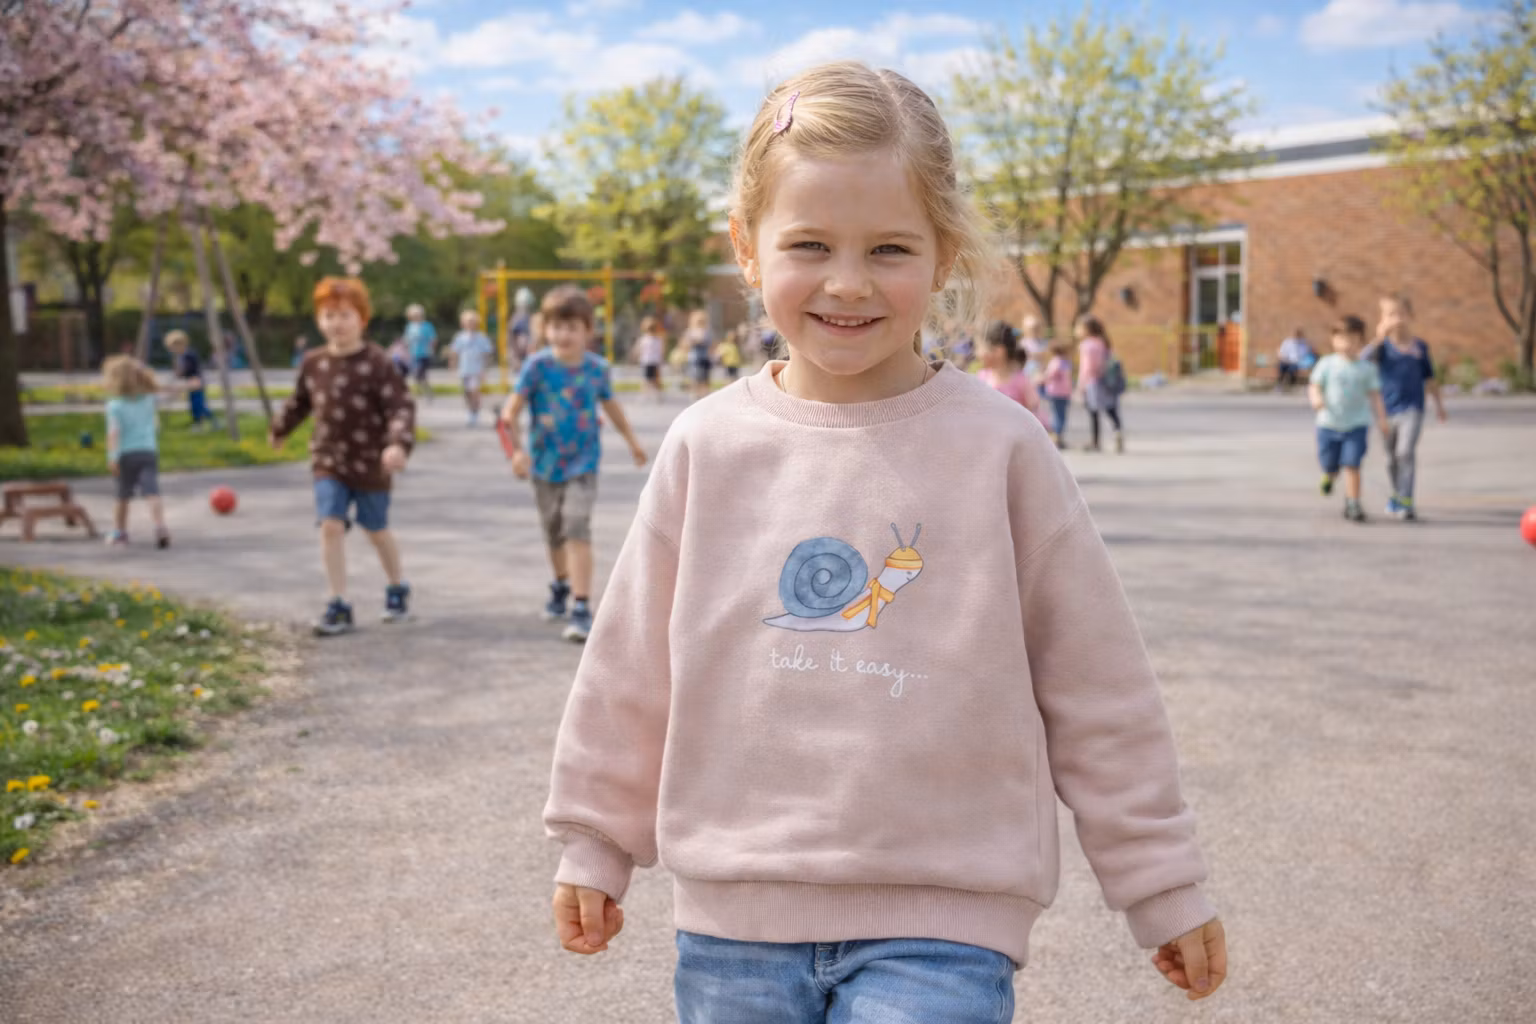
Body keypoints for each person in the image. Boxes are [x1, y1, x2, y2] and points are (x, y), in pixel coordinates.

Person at [542, 61, 1227, 1022]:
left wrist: (1161, 881)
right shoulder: (707, 446)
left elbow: (1097, 681)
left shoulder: (1001, 448)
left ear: (945, 253)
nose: (848, 283)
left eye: (891, 248)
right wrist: (594, 840)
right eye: (810, 243)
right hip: (734, 926)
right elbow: (628, 668)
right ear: (746, 248)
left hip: (944, 925)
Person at [498, 285, 648, 643]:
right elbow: (509, 414)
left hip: (583, 463)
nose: (563, 334)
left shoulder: (597, 369)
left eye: (572, 327)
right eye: (556, 326)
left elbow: (611, 407)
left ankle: (581, 605)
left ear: (587, 331)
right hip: (544, 465)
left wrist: (632, 442)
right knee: (554, 531)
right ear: (545, 329)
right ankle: (561, 584)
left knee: (576, 525)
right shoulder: (537, 367)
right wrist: (515, 452)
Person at [270, 277, 417, 636]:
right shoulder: (313, 363)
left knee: (376, 529)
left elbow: (400, 406)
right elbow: (300, 402)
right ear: (319, 320)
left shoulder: (378, 362)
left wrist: (397, 443)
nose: (337, 322)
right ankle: (338, 602)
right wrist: (281, 428)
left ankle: (397, 586)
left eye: (345, 315)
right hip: (328, 460)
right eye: (329, 315)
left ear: (362, 319)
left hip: (370, 462)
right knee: (330, 526)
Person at [1367, 295, 1448, 521]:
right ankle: (1397, 494)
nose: (1397, 319)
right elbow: (1362, 363)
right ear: (1382, 318)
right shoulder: (1381, 348)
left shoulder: (1419, 347)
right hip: (1385, 411)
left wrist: (1439, 406)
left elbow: (1430, 378)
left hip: (1412, 409)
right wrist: (1377, 339)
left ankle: (1406, 502)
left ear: (1410, 316)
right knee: (1390, 459)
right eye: (1390, 314)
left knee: (1405, 452)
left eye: (1401, 313)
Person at [1309, 315, 1391, 522]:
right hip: (1328, 424)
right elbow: (1315, 385)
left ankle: (1353, 503)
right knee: (1330, 463)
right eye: (1342, 339)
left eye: (1352, 339)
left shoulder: (1367, 368)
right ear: (1333, 340)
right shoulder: (1327, 364)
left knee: (1352, 464)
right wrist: (1317, 399)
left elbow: (1375, 394)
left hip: (1357, 424)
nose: (1347, 344)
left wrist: (1382, 418)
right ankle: (1329, 475)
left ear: (1360, 342)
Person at [101, 354, 169, 549]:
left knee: (122, 496)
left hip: (125, 454)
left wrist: (112, 457)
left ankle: (120, 533)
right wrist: (141, 370)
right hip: (148, 452)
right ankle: (160, 526)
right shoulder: (148, 399)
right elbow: (160, 389)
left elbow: (113, 434)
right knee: (152, 492)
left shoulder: (114, 406)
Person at [979, 319, 1045, 426]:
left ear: (999, 350)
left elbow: (1035, 412)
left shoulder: (1020, 381)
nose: (979, 354)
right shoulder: (982, 377)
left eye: (982, 348)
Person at [1076, 314, 1126, 453]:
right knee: (1111, 409)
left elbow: (1087, 367)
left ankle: (1095, 441)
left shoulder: (1087, 345)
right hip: (1106, 381)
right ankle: (1118, 432)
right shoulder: (1103, 343)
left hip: (1092, 382)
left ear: (1087, 329)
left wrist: (1081, 385)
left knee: (1093, 412)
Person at [449, 310, 496, 427]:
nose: (470, 324)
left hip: (476, 369)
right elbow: (454, 353)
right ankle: (471, 409)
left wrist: (485, 369)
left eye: (473, 322)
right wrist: (453, 367)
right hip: (464, 369)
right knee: (467, 392)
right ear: (463, 323)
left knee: (474, 391)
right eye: (468, 322)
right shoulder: (460, 337)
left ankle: (474, 413)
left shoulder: (481, 338)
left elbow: (487, 354)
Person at [163, 330, 216, 429]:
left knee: (198, 403)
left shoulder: (189, 355)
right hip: (191, 382)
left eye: (173, 348)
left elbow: (189, 369)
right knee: (195, 403)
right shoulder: (181, 356)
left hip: (196, 382)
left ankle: (205, 422)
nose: (173, 350)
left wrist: (180, 372)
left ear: (181, 344)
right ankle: (202, 421)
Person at [1042, 342, 1075, 448]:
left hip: (1055, 392)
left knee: (1057, 415)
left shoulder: (1056, 362)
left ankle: (1057, 436)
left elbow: (1050, 375)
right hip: (1064, 392)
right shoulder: (1065, 363)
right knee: (1061, 415)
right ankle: (1058, 436)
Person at [403, 303, 437, 403]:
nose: (416, 317)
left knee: (419, 373)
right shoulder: (410, 326)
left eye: (417, 315)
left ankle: (422, 393)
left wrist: (431, 348)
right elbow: (406, 339)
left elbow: (433, 339)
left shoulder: (427, 326)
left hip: (424, 354)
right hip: (413, 354)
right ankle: (425, 392)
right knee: (417, 375)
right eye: (413, 315)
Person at [682, 309, 713, 401]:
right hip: (695, 358)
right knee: (695, 377)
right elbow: (685, 344)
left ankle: (705, 394)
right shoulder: (690, 331)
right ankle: (695, 393)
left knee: (705, 377)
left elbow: (710, 343)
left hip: (705, 357)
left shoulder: (707, 331)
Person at [634, 315, 666, 403]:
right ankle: (645, 395)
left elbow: (660, 351)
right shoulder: (645, 339)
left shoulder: (656, 339)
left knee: (654, 379)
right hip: (647, 361)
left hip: (653, 361)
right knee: (646, 379)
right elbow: (639, 349)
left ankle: (657, 394)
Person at [1018, 313, 1049, 382]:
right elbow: (1023, 357)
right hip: (1028, 373)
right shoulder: (1023, 343)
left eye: (1036, 328)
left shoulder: (1043, 342)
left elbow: (1046, 356)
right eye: (1032, 329)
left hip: (1042, 373)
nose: (1034, 331)